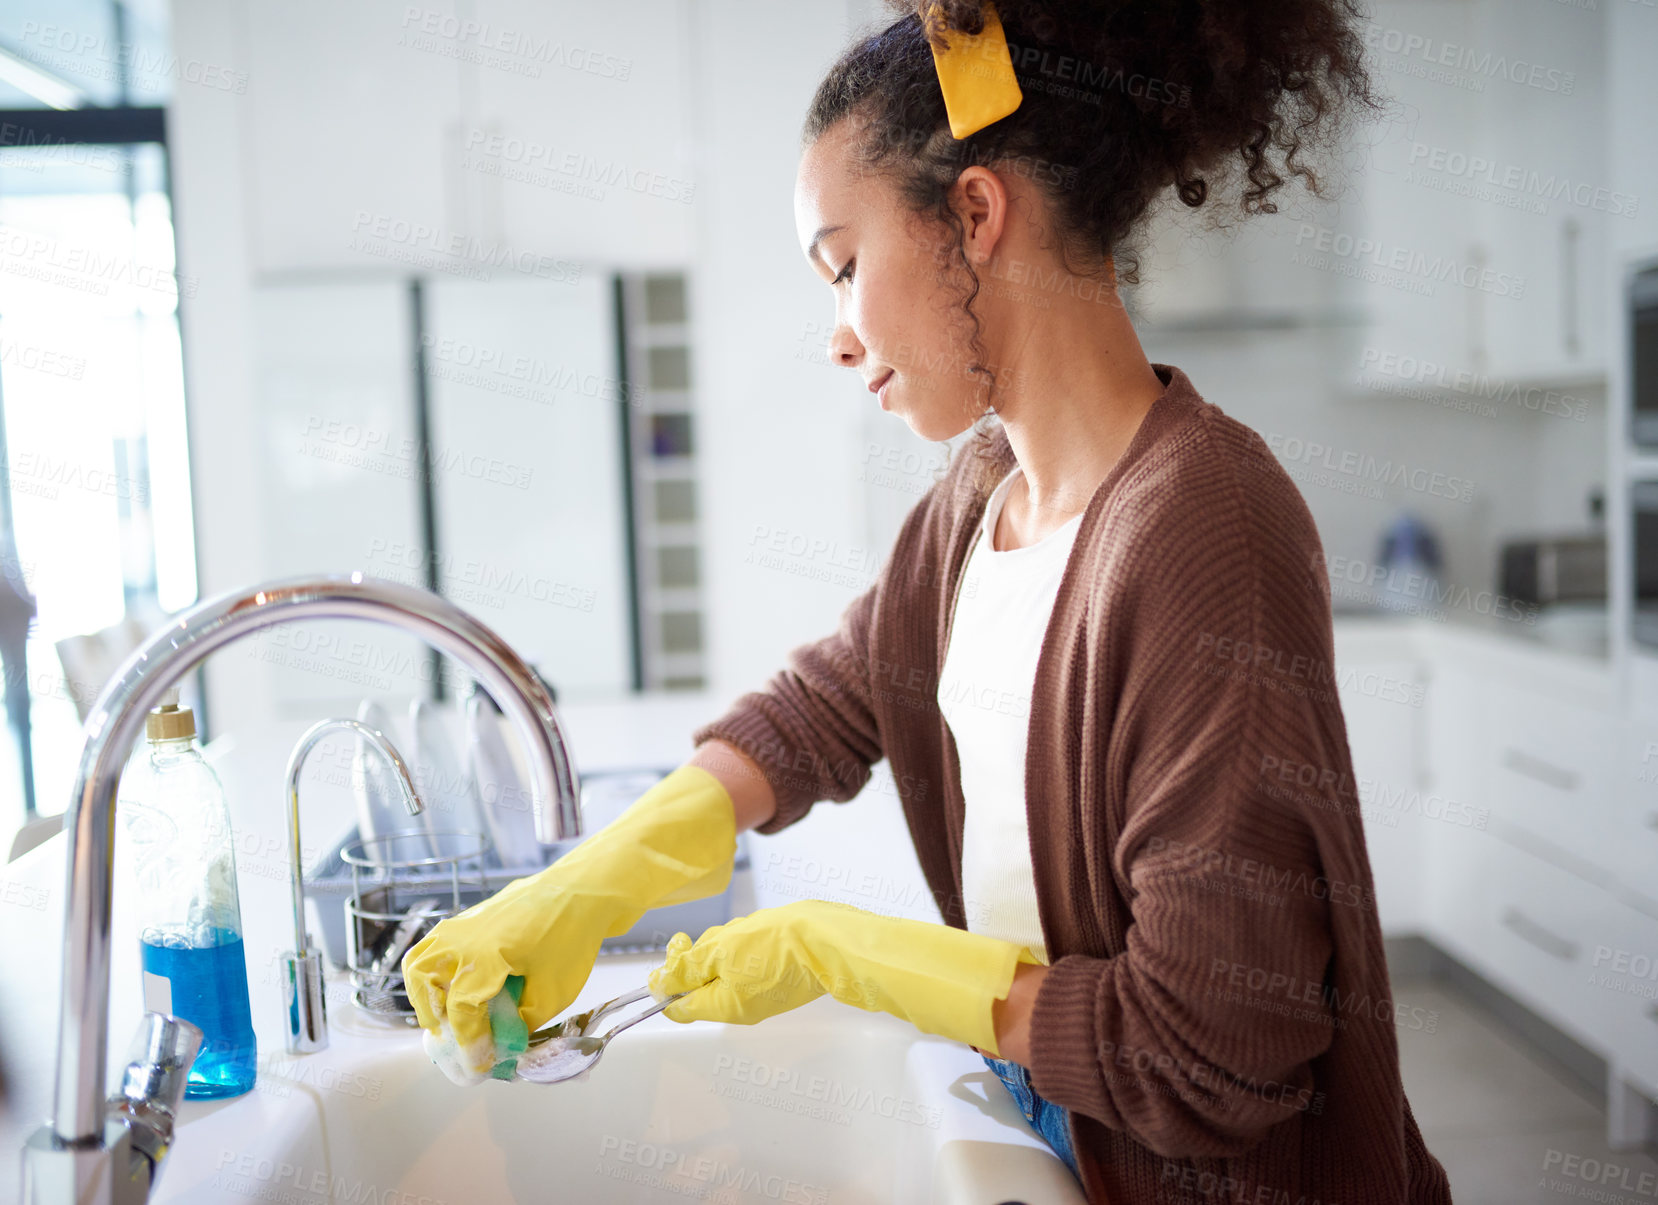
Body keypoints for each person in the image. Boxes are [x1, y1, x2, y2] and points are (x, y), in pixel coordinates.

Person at [404, 1, 1455, 1200]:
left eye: (843, 267)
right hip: (1054, 1125)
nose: (839, 339)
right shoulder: (983, 493)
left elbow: (1208, 1053)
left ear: (972, 212)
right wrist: (592, 881)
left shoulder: (1202, 527)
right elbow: (831, 702)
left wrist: (843, 951)